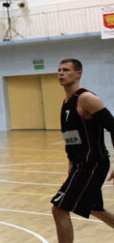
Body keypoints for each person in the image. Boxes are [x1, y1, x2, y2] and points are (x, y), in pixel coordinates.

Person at [51, 59, 114, 243]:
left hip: (92, 163)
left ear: (78, 74)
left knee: (59, 209)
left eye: (66, 70)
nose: (61, 73)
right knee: (95, 208)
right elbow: (72, 137)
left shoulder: (86, 99)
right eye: (59, 69)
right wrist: (71, 162)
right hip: (81, 163)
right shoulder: (66, 102)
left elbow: (113, 127)